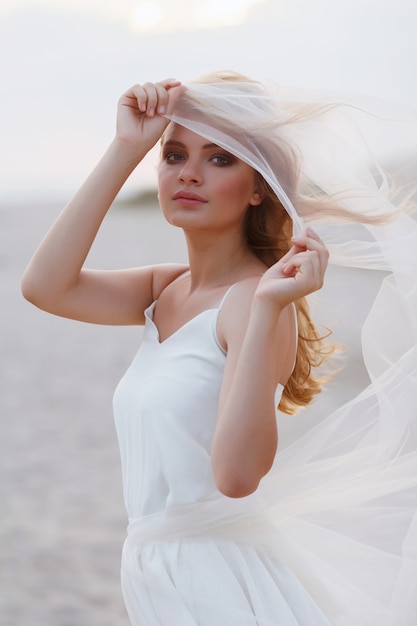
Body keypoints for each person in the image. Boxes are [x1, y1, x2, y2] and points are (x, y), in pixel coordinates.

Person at [22, 72, 417, 625]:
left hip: (214, 585)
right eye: (174, 155)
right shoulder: (168, 289)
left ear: (259, 187)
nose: (189, 173)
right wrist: (126, 147)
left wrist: (267, 311)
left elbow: (236, 478)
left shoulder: (256, 301)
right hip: (158, 573)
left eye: (220, 159)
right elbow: (45, 287)